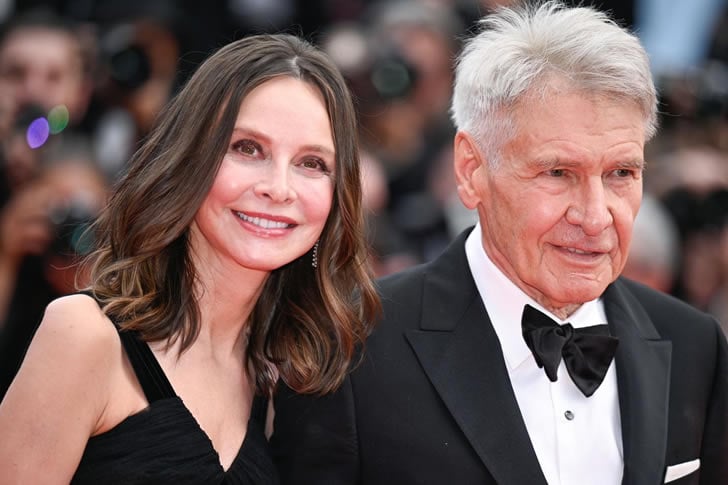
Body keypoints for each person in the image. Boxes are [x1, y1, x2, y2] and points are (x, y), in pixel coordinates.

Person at [271, 2, 728, 484]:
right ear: (471, 170)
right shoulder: (348, 352)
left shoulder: (695, 347)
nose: (596, 217)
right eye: (558, 173)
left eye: (621, 173)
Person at [0, 33, 380, 483]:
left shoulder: (283, 382)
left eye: (312, 163)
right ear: (190, 157)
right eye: (248, 148)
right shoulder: (85, 336)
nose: (279, 188)